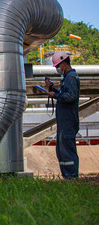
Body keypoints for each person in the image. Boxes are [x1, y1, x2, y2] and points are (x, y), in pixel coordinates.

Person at [45, 51, 80, 179]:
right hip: (65, 120)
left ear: (64, 63)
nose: (57, 69)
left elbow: (71, 96)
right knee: (62, 150)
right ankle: (67, 175)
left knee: (67, 150)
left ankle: (71, 176)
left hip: (68, 120)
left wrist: (55, 95)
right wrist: (52, 89)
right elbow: (65, 95)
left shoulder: (71, 77)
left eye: (58, 66)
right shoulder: (67, 77)